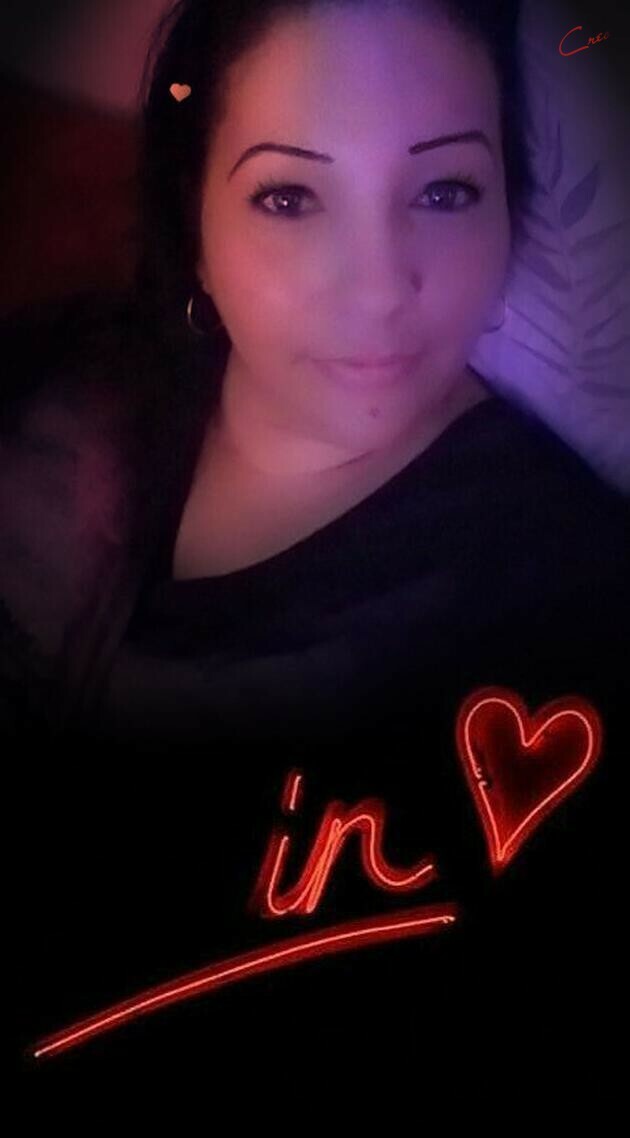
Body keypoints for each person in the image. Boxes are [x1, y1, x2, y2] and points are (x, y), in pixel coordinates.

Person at [6, 0, 629, 1108]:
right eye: (290, 197)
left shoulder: (570, 589)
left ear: (512, 208)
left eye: (444, 191)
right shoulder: (51, 386)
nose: (379, 288)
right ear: (194, 217)